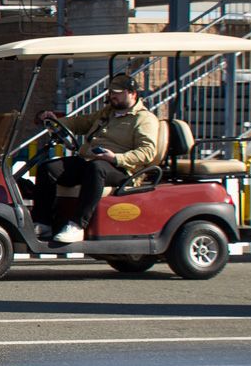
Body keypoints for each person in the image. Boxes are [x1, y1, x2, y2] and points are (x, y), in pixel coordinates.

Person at [33, 73, 160, 244]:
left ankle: (77, 224)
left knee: (97, 168)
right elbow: (80, 123)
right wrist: (56, 122)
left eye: (117, 92)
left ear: (132, 93)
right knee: (48, 169)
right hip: (90, 161)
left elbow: (147, 152)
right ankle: (44, 222)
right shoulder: (107, 114)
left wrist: (115, 158)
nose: (112, 96)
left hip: (122, 168)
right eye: (111, 92)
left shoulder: (144, 119)